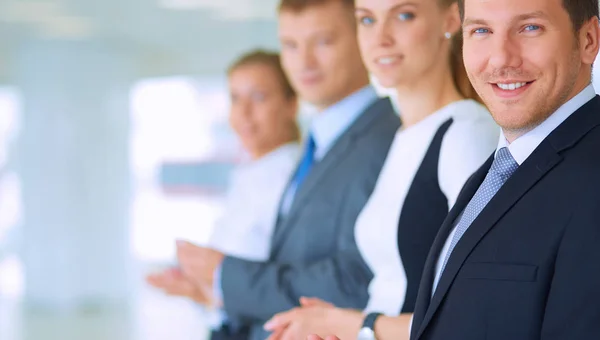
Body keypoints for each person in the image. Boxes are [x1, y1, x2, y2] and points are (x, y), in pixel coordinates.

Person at [264, 0, 499, 339]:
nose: (381, 38)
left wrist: (351, 325)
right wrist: (331, 321)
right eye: (367, 20)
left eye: (404, 16)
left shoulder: (465, 134)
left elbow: (478, 315)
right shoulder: (404, 136)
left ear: (451, 17)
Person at [172, 1, 400, 339]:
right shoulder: (317, 144)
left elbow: (357, 278)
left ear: (361, 35)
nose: (304, 63)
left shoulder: (388, 140)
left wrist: (227, 277)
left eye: (323, 42)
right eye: (291, 46)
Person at [406, 0, 600, 339]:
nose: (500, 59)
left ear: (588, 40)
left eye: (529, 28)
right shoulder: (493, 173)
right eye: (481, 31)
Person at [146, 49, 301, 327]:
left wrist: (214, 287)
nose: (244, 113)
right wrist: (198, 288)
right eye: (235, 98)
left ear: (292, 104)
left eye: (259, 97)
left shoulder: (294, 177)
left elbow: (280, 286)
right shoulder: (249, 173)